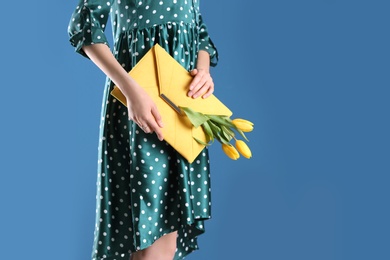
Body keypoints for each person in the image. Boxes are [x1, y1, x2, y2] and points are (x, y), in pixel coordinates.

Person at [68, 0, 219, 259]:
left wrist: (203, 71)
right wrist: (130, 91)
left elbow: (198, 31)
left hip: (183, 106)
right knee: (150, 238)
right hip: (144, 103)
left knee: (165, 239)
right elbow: (84, 25)